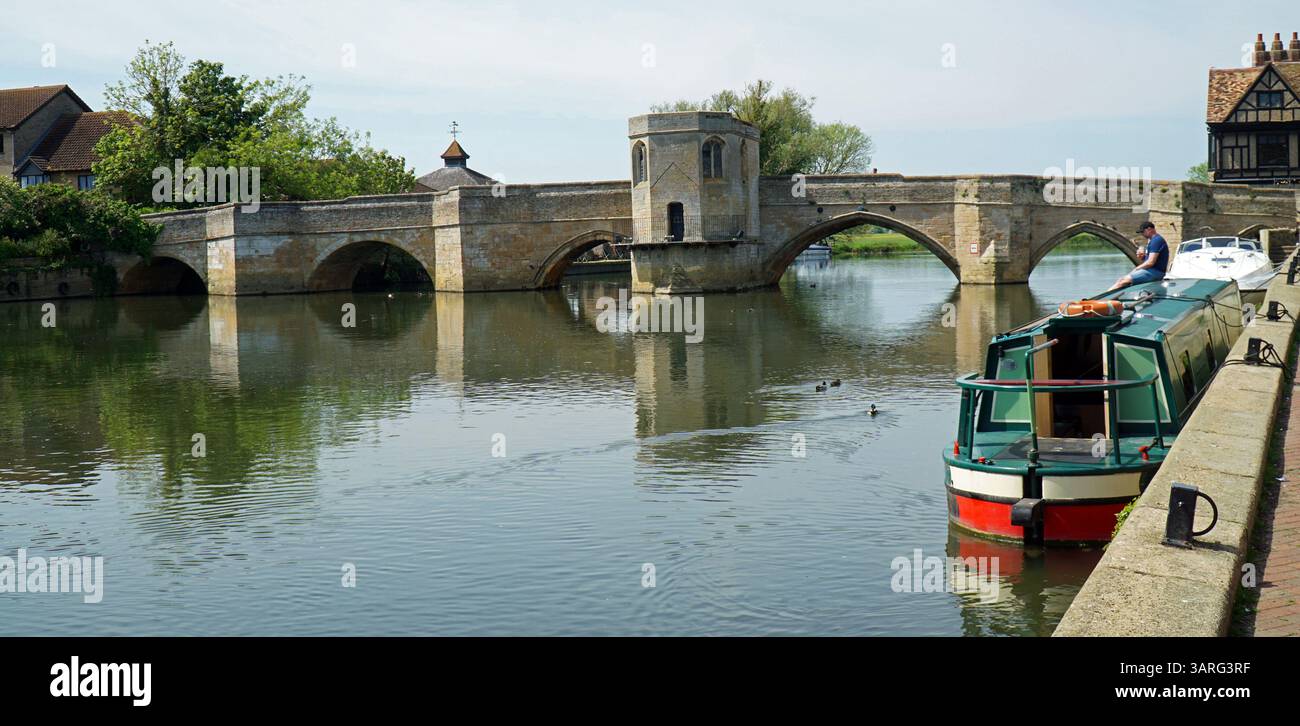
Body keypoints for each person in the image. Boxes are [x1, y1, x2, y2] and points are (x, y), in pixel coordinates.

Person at [1107, 222, 1168, 291]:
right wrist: (1142, 257)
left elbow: (1151, 262)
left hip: (1155, 272)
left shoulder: (1156, 240)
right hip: (1152, 271)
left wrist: (1136, 269)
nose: (1142, 234)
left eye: (1143, 232)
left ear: (1149, 229)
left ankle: (1101, 300)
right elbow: (1149, 260)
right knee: (1122, 280)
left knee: (1122, 281)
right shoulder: (1152, 241)